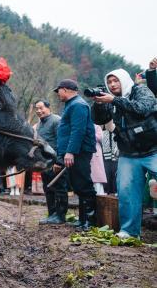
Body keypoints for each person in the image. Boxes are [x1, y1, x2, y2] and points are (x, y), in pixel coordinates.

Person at [91, 68, 157, 239]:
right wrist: (98, 104)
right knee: (127, 192)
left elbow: (143, 108)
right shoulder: (111, 100)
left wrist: (114, 100)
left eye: (116, 81)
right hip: (128, 153)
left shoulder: (140, 90)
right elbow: (99, 120)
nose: (112, 85)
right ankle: (130, 231)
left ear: (124, 80)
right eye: (110, 82)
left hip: (153, 149)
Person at [54, 79, 97, 231]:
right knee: (78, 186)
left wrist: (70, 151)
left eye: (58, 90)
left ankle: (91, 222)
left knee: (84, 185)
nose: (57, 94)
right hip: (74, 151)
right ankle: (82, 220)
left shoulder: (78, 105)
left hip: (79, 152)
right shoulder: (72, 104)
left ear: (65, 89)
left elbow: (78, 130)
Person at [33, 99, 67, 224]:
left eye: (41, 108)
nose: (38, 111)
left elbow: (61, 141)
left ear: (48, 107)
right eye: (37, 108)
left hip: (55, 161)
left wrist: (59, 161)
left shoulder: (56, 120)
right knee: (48, 188)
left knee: (59, 188)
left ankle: (60, 215)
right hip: (44, 161)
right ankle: (52, 214)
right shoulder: (39, 124)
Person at [101, 121, 119, 195]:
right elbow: (100, 127)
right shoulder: (103, 117)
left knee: (115, 171)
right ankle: (106, 191)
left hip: (116, 151)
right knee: (106, 172)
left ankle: (115, 191)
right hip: (105, 151)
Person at [90, 124, 107, 195]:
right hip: (87, 154)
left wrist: (89, 135)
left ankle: (100, 196)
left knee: (97, 178)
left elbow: (100, 137)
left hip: (95, 153)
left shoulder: (96, 127)